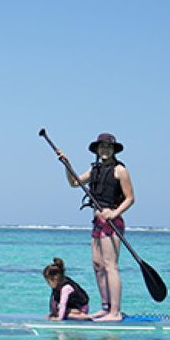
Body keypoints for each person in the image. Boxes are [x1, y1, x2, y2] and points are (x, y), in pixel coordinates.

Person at [58, 133, 134, 322]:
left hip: (112, 223)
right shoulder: (95, 170)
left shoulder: (120, 170)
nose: (104, 150)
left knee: (110, 266)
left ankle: (115, 312)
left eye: (108, 147)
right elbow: (74, 182)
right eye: (101, 147)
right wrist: (67, 165)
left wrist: (114, 214)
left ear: (114, 149)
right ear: (97, 150)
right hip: (97, 224)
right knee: (98, 266)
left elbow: (130, 198)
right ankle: (105, 307)